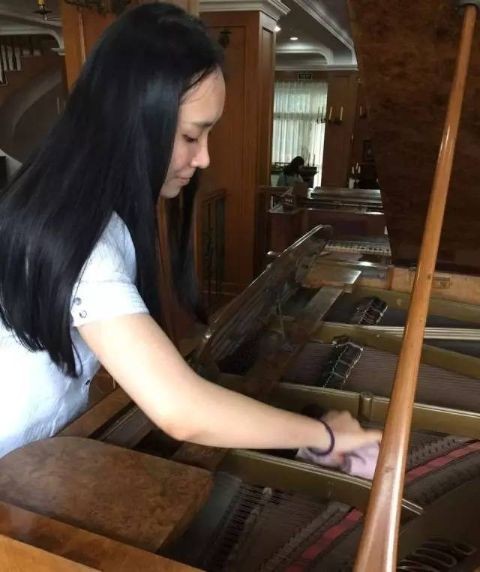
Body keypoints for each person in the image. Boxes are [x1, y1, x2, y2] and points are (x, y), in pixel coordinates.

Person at [0, 3, 381, 460]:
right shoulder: (81, 233)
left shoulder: (80, 205)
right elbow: (180, 410)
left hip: (37, 453)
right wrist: (326, 435)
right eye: (190, 136)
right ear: (133, 124)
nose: (204, 158)